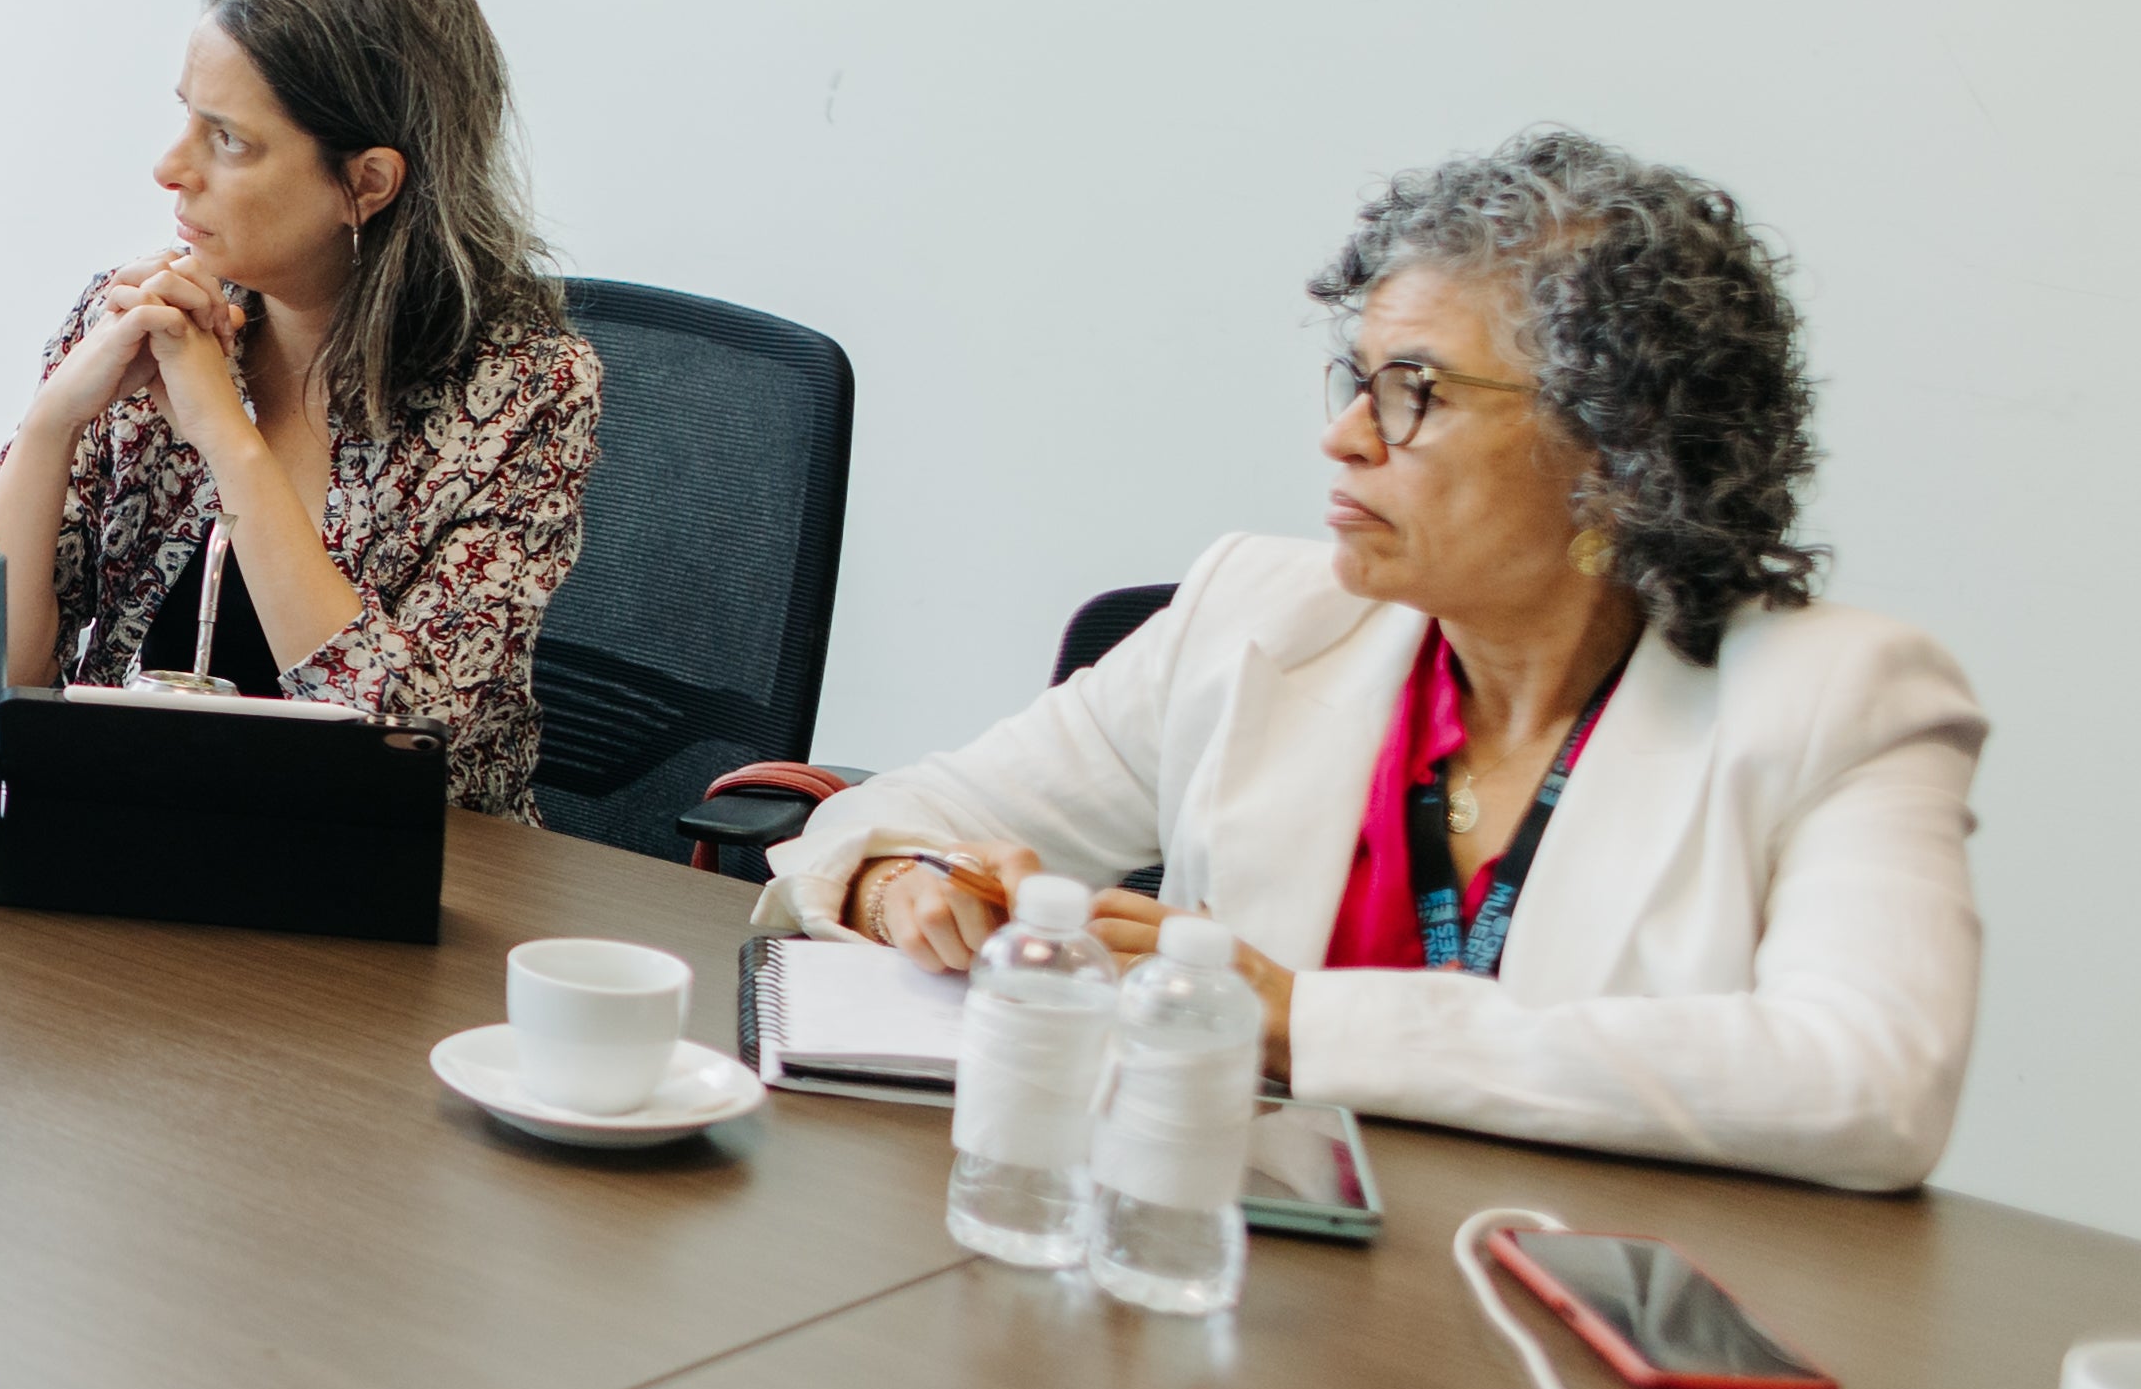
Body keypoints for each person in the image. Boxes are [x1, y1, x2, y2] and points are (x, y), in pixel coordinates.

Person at [772, 129, 1981, 1192]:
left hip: (1564, 1344)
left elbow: (1867, 1083)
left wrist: (1302, 1021)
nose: (1343, 438)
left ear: (1617, 453)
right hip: (1223, 1281)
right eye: (1358, 382)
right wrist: (904, 882)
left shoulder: (1844, 701)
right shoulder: (1255, 612)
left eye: (1415, 394)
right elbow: (905, 815)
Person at [0, 0, 602, 819]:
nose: (170, 168)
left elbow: (407, 745)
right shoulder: (140, 323)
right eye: (184, 117)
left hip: (390, 894)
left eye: (229, 140)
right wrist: (51, 426)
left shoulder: (528, 390)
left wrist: (228, 437)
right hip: (127, 855)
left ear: (367, 183)